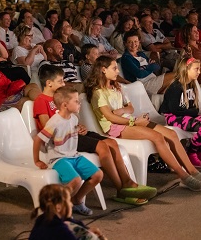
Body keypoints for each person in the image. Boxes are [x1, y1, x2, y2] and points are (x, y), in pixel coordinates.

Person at [35, 66, 154, 205]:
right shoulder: (41, 101)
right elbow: (48, 127)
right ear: (49, 83)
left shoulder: (61, 98)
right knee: (102, 146)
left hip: (74, 134)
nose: (64, 84)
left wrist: (79, 126)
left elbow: (71, 118)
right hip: (63, 141)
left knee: (112, 143)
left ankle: (128, 182)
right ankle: (121, 189)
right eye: (60, 81)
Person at [85, 55, 201, 191]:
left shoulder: (116, 87)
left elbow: (130, 107)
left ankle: (193, 171)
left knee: (171, 134)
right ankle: (184, 176)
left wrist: (123, 111)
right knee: (158, 137)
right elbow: (110, 117)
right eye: (115, 68)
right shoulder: (98, 93)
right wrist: (134, 121)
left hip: (130, 120)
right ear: (103, 70)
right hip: (116, 127)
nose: (118, 71)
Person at [33, 86, 104, 216]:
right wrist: (37, 160)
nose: (79, 103)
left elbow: (71, 130)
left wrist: (80, 130)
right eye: (76, 101)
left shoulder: (74, 118)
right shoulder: (54, 122)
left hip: (74, 156)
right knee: (75, 180)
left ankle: (76, 201)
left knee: (98, 175)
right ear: (65, 105)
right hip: (58, 159)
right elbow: (38, 140)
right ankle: (59, 206)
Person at [160, 57, 201, 166]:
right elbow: (175, 110)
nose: (199, 72)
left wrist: (194, 112)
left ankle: (198, 150)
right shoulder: (175, 87)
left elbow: (194, 108)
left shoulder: (191, 85)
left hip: (184, 115)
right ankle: (191, 152)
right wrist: (194, 113)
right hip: (172, 117)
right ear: (186, 69)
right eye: (196, 69)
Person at [29, 184, 107, 240]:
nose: (71, 204)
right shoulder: (60, 230)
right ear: (58, 207)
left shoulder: (42, 219)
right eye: (68, 201)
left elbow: (70, 222)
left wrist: (86, 230)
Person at [121, 30, 174, 95]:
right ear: (125, 43)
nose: (133, 44)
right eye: (130, 42)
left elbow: (157, 66)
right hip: (142, 85)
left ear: (139, 42)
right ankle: (162, 92)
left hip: (153, 79)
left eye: (135, 41)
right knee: (176, 75)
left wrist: (146, 68)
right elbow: (140, 74)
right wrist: (150, 66)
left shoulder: (141, 54)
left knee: (176, 81)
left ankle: (163, 92)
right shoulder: (126, 58)